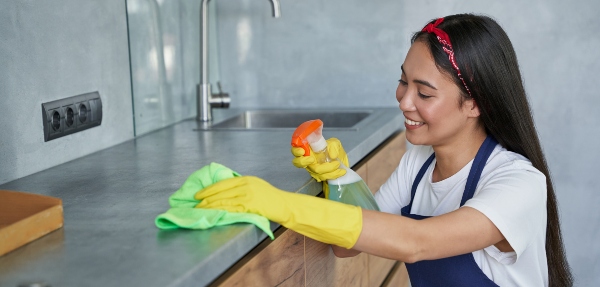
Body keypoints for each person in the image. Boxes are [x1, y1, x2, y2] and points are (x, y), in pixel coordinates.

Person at [195, 14, 573, 286]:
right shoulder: (419, 166)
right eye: (402, 82)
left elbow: (415, 243)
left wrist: (277, 203)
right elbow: (349, 248)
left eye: (424, 92)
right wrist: (339, 177)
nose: (404, 101)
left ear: (475, 103)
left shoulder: (519, 184)